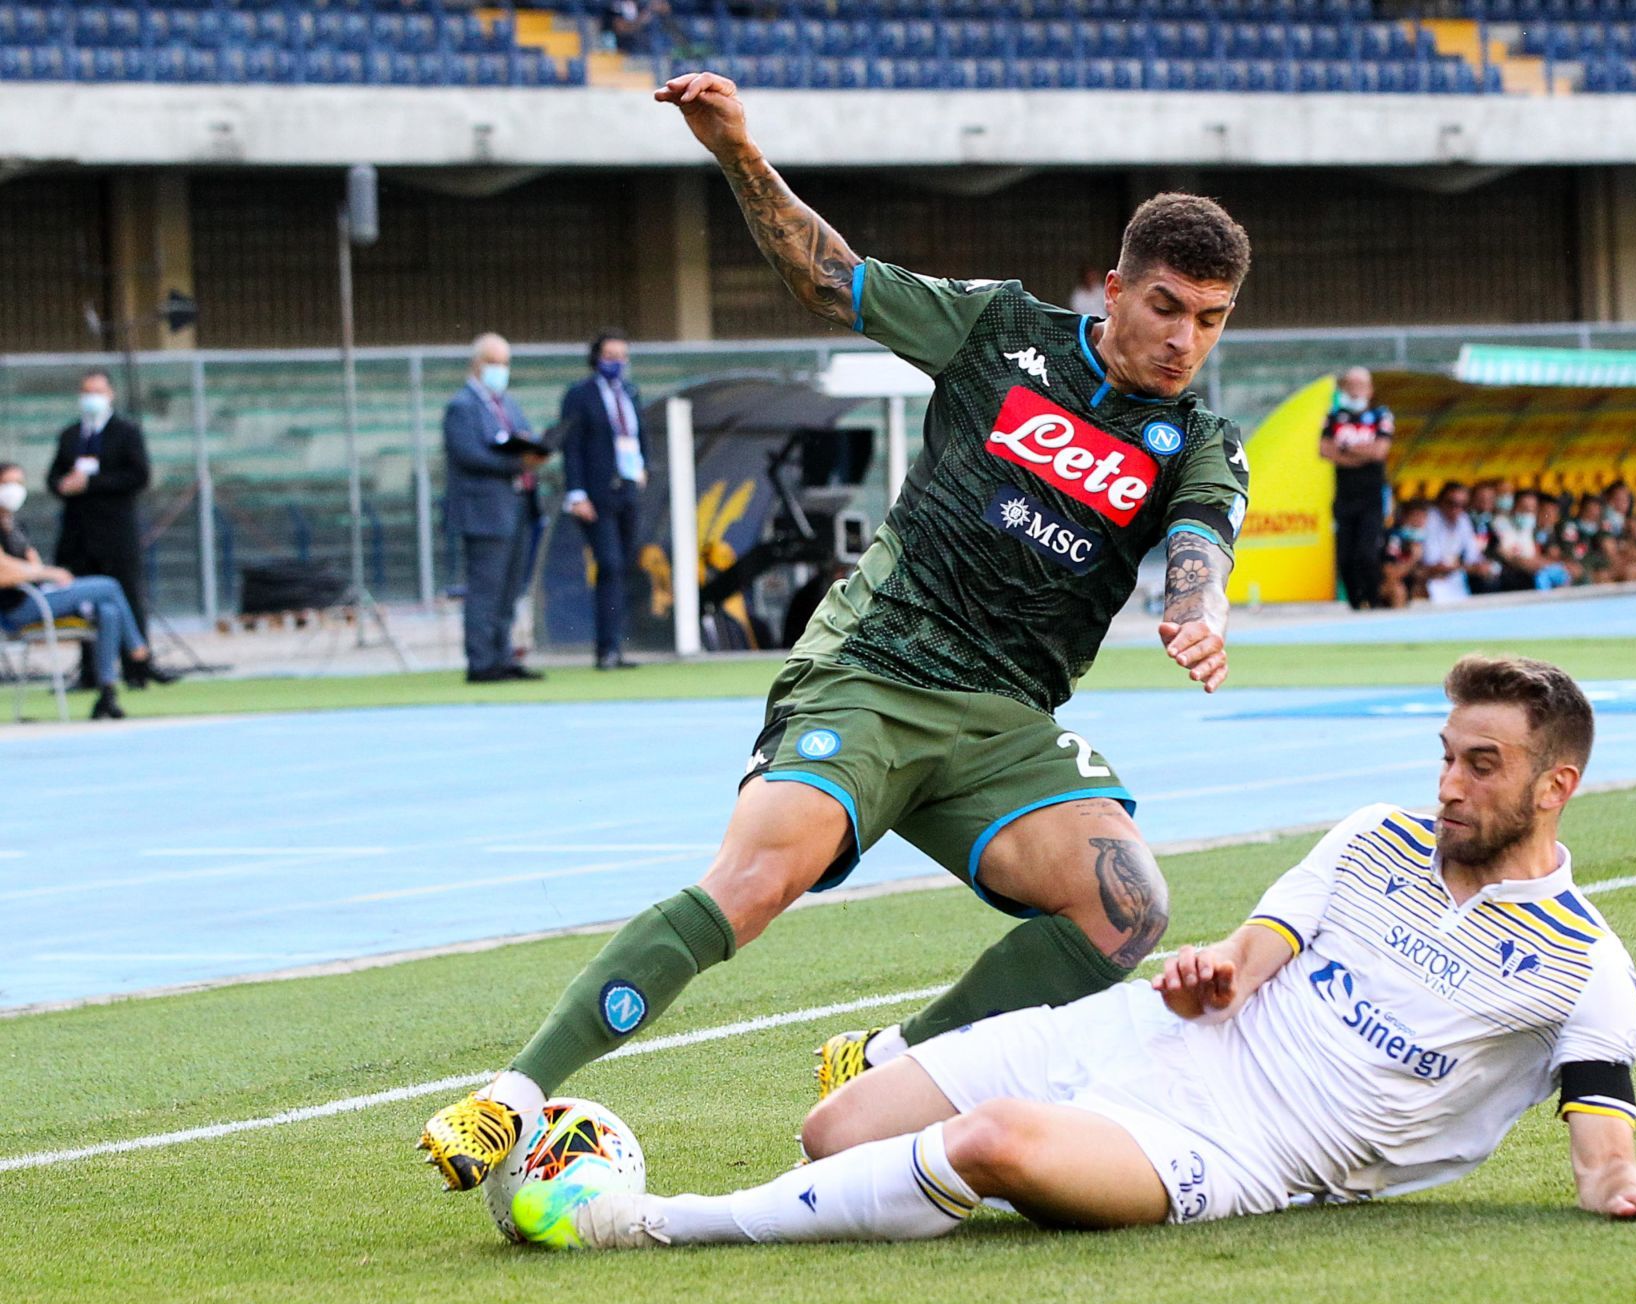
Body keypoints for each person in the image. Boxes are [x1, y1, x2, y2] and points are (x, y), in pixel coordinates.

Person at [418, 70, 1253, 1192]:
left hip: (1003, 719)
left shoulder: (1196, 437)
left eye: (1208, 319)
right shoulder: (998, 331)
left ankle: (889, 1060)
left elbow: (1202, 540)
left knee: (1125, 906)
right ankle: (509, 1099)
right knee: (754, 884)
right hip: (870, 670)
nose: (1182, 338)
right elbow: (833, 279)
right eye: (1164, 306)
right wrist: (735, 152)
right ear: (1113, 287)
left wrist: (1195, 610)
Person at [510, 654, 1636, 1251]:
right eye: (1447, 752)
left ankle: (659, 1222)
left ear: (1555, 785)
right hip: (1143, 1035)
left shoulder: (1583, 963)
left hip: (1237, 1145)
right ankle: (927, 1181)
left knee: (984, 1145)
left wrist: (1619, 1189)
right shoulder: (1375, 838)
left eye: (1483, 765)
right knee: (835, 1130)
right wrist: (1212, 970)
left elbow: (1599, 1146)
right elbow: (1256, 947)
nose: (1448, 783)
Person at [0, 460, 165, 720]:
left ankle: (107, 694)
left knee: (108, 610)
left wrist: (41, 574)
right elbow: (4, 573)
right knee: (109, 586)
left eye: (19, 483)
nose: (15, 489)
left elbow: (31, 565)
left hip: (42, 595)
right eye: (8, 483)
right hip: (18, 607)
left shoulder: (16, 526)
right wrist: (47, 573)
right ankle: (138, 650)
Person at [46, 370, 163, 687]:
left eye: (97, 390)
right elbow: (53, 477)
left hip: (116, 534)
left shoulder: (126, 432)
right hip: (78, 536)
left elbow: (138, 476)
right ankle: (91, 672)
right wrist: (64, 484)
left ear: (110, 393)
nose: (91, 397)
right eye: (86, 391)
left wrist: (92, 483)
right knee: (82, 604)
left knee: (127, 598)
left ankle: (136, 669)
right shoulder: (71, 435)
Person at [445, 332, 548, 684]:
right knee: (485, 589)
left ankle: (503, 656)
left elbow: (524, 436)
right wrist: (517, 464)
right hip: (485, 513)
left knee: (508, 590)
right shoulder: (462, 407)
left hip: (517, 507)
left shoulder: (508, 404)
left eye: (505, 363)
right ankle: (481, 661)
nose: (500, 370)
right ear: (477, 365)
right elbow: (468, 454)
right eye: (494, 363)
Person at [559, 329, 648, 670]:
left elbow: (637, 436)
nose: (617, 363)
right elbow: (573, 447)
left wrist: (644, 467)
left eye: (622, 357)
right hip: (596, 496)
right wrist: (576, 492)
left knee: (622, 568)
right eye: (611, 357)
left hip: (626, 490)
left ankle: (617, 646)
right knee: (608, 566)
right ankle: (606, 648)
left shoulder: (630, 392)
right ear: (596, 358)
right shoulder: (580, 396)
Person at [1321, 366, 1392, 611]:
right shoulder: (1334, 416)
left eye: (1360, 385)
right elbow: (1325, 450)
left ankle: (1373, 599)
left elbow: (1380, 452)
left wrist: (1345, 449)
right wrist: (1363, 452)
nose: (1355, 390)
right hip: (1345, 496)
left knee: (1367, 552)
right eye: (1350, 385)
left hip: (1372, 496)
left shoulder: (1380, 415)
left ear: (1370, 389)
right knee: (1346, 555)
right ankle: (1354, 603)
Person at [1418, 482, 1498, 593]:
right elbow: (1433, 563)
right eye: (1451, 503)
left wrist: (1483, 565)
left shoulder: (1463, 519)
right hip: (1431, 584)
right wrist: (1468, 568)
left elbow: (1473, 555)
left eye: (1462, 505)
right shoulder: (1430, 520)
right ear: (1440, 501)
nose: (1456, 509)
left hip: (1457, 585)